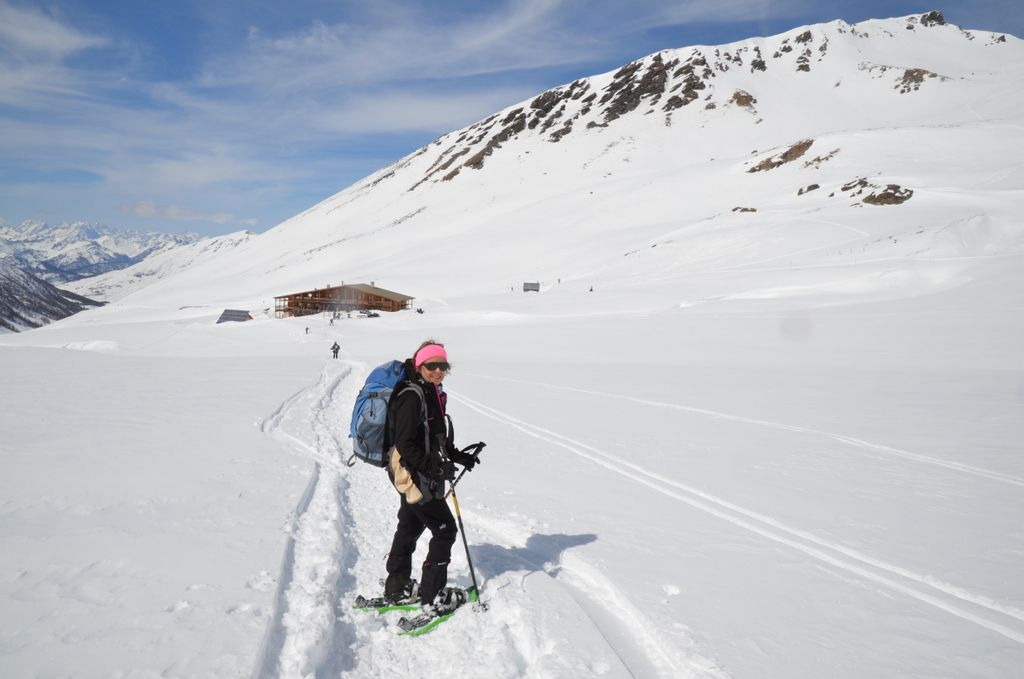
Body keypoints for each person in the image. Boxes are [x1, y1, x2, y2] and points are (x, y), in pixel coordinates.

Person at [383, 340, 481, 612]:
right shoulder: (412, 396)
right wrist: (434, 468)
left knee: (410, 526)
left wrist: (458, 456)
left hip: (421, 472)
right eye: (432, 365)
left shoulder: (432, 392)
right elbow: (405, 444)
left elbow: (436, 436)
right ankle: (433, 597)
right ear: (419, 365)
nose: (438, 371)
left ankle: (397, 588)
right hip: (414, 475)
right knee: (445, 529)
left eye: (443, 366)